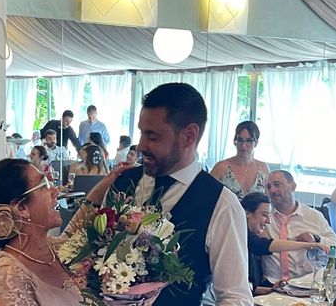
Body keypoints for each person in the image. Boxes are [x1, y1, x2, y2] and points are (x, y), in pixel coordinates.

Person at [106, 82, 252, 305]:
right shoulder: (122, 183)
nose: (141, 146)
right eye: (141, 133)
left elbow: (234, 296)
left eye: (152, 136)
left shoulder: (222, 204)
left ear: (189, 136)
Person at [0, 159, 83, 305]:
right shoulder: (7, 280)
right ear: (21, 208)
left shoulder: (50, 248)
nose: (55, 191)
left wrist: (104, 188)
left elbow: (75, 233)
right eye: (44, 185)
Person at [241, 192, 328, 296]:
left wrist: (272, 290)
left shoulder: (247, 234)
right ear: (247, 213)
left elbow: (249, 287)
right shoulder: (240, 235)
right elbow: (271, 245)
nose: (268, 221)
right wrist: (309, 245)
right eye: (264, 215)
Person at [261, 170, 336, 284]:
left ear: (292, 186)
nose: (272, 190)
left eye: (277, 185)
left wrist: (316, 239)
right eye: (269, 187)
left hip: (307, 283)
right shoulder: (264, 217)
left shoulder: (314, 216)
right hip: (273, 283)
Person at [210, 121, 270, 199]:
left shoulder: (263, 168)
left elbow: (269, 201)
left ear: (256, 142)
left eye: (249, 140)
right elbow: (206, 195)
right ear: (235, 141)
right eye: (240, 140)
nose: (243, 145)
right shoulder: (221, 167)